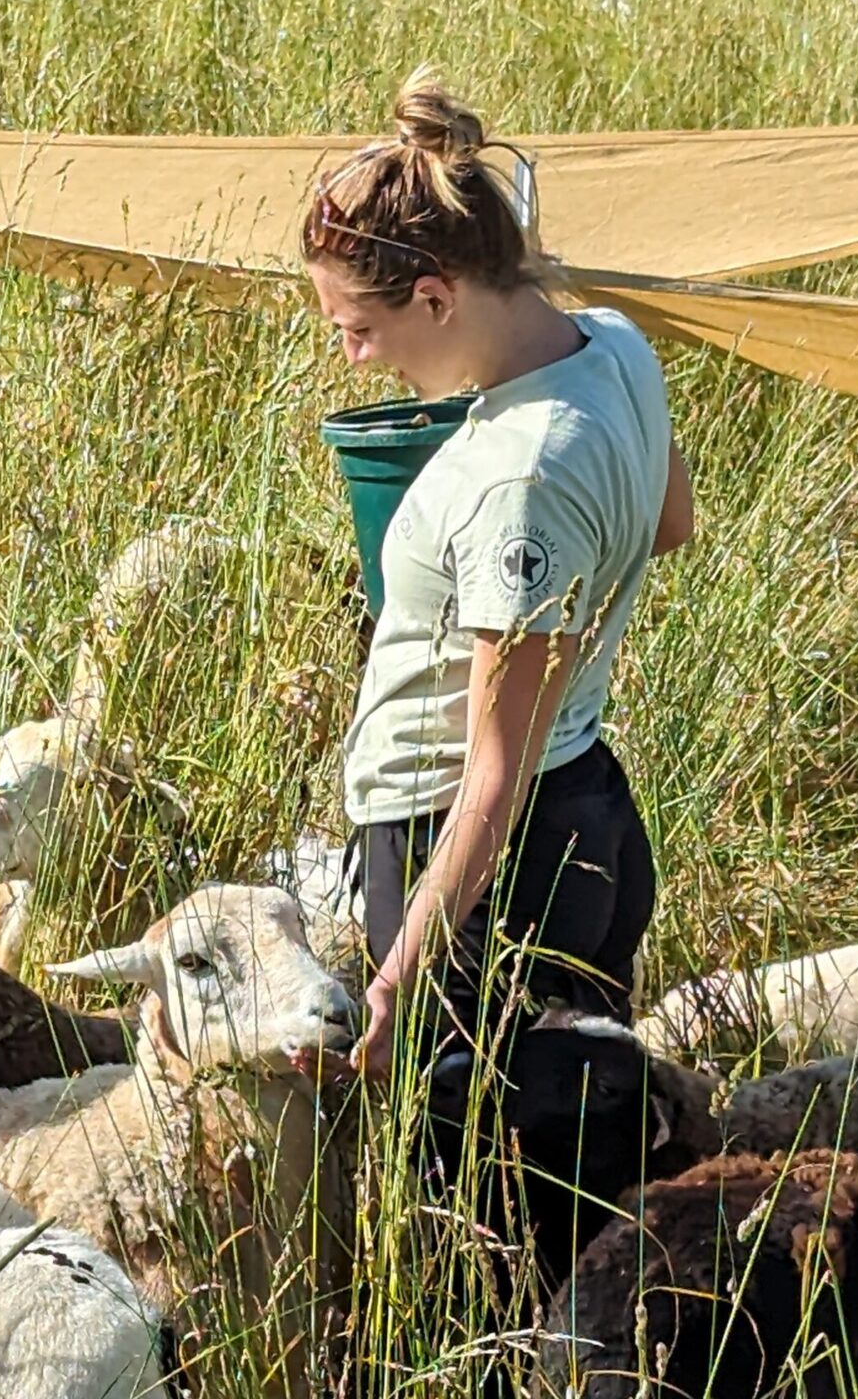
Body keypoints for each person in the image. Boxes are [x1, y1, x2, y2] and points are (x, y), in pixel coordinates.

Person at [303, 70, 697, 1085]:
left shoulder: (516, 478)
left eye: (356, 328)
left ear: (435, 297)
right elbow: (668, 520)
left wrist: (399, 973)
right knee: (589, 1143)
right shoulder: (615, 346)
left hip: (486, 869)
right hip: (593, 809)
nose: (351, 358)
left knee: (476, 1179)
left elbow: (492, 778)